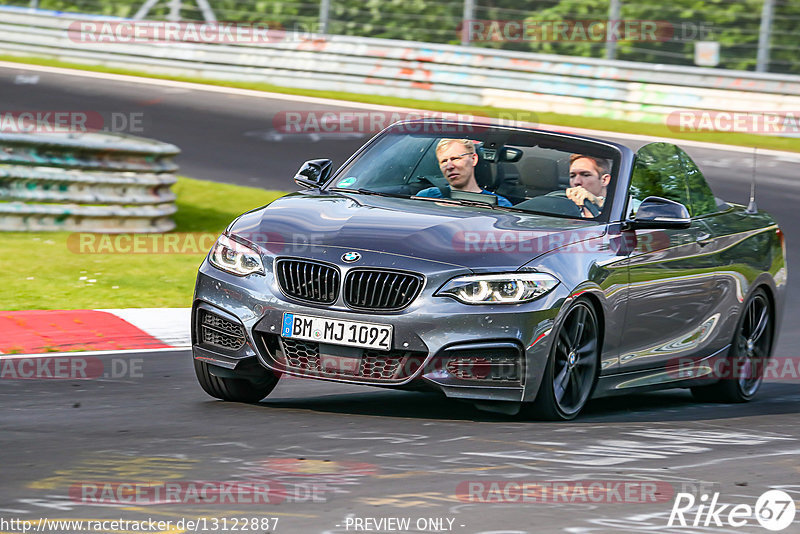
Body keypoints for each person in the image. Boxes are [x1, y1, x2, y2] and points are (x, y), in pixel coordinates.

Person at [416, 139, 512, 207]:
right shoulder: (427, 197)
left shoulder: (500, 205)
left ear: (473, 159)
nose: (449, 166)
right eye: (444, 161)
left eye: (455, 158)